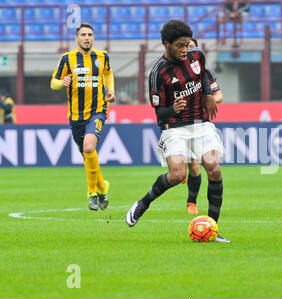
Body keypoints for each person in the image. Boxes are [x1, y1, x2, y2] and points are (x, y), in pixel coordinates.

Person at [125, 20, 229, 243]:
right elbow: (159, 114)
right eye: (180, 46)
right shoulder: (158, 73)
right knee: (178, 175)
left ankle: (213, 228)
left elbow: (203, 78)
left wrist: (209, 94)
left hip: (200, 124)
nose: (185, 50)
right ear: (166, 44)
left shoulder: (197, 56)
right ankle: (143, 203)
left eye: (187, 45)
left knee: (214, 169)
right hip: (174, 129)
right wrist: (173, 108)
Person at [51, 22, 115, 211]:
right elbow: (53, 83)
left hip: (98, 110)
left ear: (94, 38)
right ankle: (103, 188)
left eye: (90, 35)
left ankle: (92, 194)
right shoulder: (67, 59)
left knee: (89, 147)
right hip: (76, 116)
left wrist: (110, 90)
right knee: (87, 155)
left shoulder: (102, 57)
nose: (87, 38)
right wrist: (62, 82)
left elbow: (108, 73)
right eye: (83, 35)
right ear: (76, 38)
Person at [183, 37, 224, 215]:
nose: (189, 51)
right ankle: (192, 201)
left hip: (202, 121)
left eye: (192, 47)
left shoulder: (205, 70)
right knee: (192, 166)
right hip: (183, 123)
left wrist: (208, 99)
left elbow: (219, 95)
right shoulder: (176, 71)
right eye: (187, 47)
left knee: (208, 165)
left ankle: (198, 205)